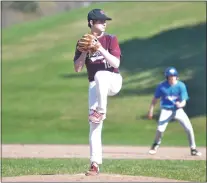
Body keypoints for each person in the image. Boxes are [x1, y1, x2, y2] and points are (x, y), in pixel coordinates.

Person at [73, 9, 123, 176]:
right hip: (95, 86)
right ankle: (95, 164)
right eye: (100, 21)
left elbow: (116, 62)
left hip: (113, 80)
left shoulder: (110, 39)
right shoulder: (83, 42)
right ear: (91, 23)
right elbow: (78, 68)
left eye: (104, 20)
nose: (104, 23)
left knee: (100, 74)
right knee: (94, 125)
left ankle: (101, 111)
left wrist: (100, 47)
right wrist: (85, 51)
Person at [147, 67, 202, 156]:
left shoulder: (181, 86)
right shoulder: (162, 86)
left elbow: (184, 100)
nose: (172, 78)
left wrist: (180, 104)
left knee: (189, 128)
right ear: (167, 77)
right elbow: (155, 99)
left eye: (173, 76)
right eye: (169, 76)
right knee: (160, 129)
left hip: (178, 110)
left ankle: (193, 149)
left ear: (176, 77)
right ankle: (155, 145)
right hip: (166, 110)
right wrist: (151, 110)